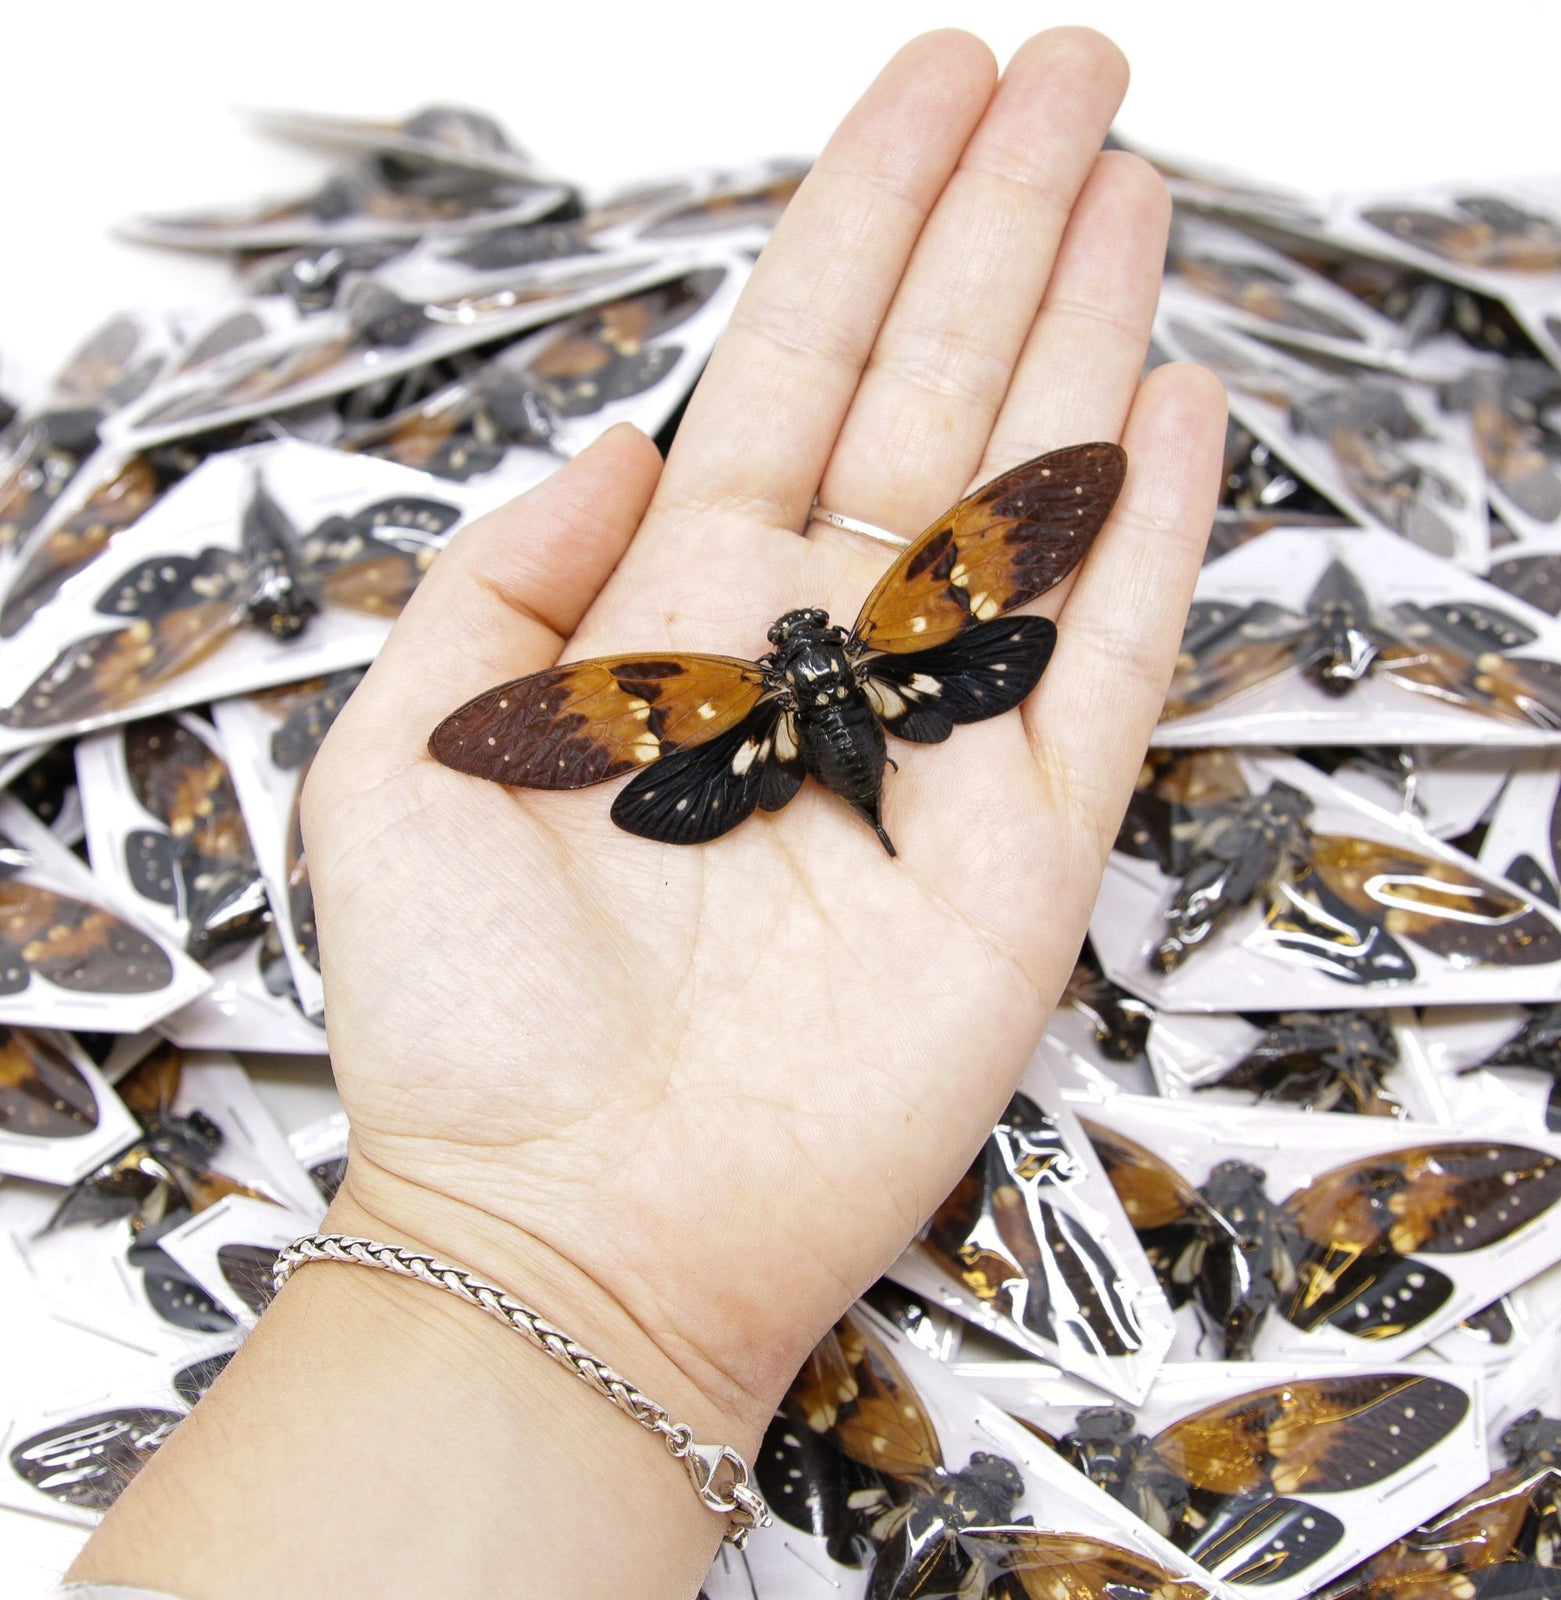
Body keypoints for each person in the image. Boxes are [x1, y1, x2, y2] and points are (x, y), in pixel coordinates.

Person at [60, 26, 1225, 1600]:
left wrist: (532, 1270)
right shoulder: (861, 629)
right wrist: (540, 1250)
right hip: (886, 699)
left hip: (756, 752)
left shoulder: (714, 683)